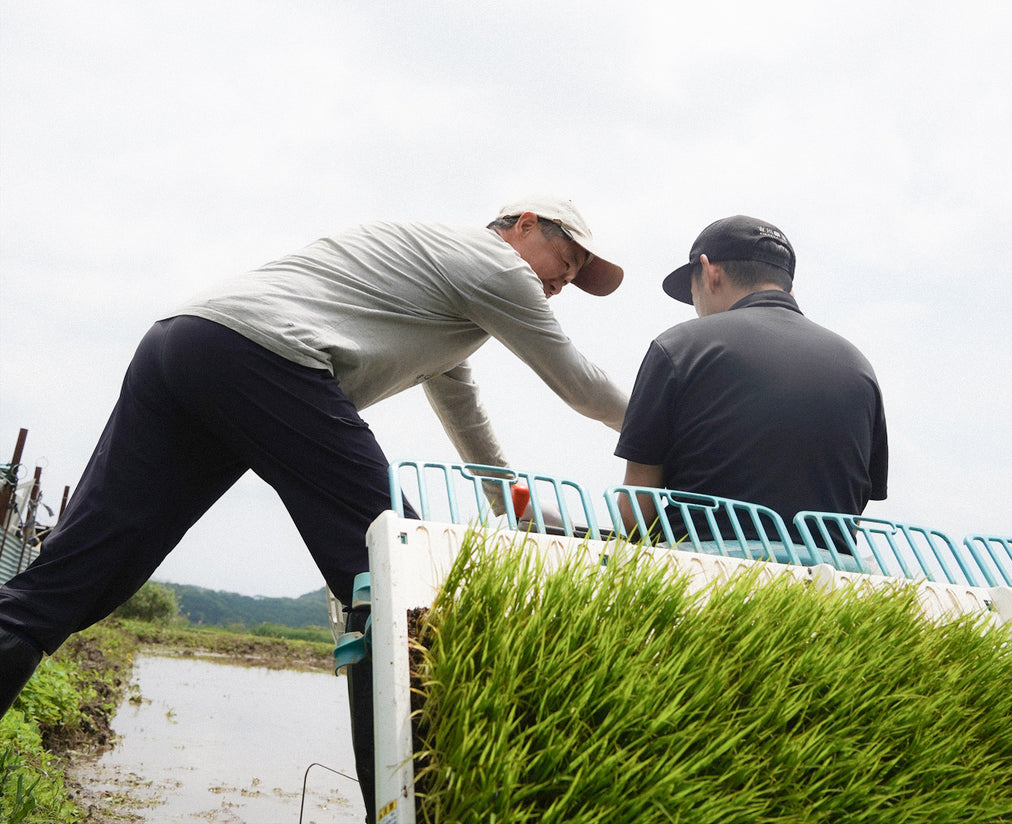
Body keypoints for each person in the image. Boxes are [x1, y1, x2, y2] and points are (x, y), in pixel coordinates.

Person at [0, 195, 629, 822]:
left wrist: (510, 503)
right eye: (565, 260)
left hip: (183, 343)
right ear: (522, 227)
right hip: (265, 356)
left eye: (574, 278)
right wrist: (657, 433)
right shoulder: (496, 267)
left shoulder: (447, 288)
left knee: (70, 581)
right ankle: (403, 812)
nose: (561, 283)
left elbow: (462, 406)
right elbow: (580, 384)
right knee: (394, 579)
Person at [615, 214, 887, 558]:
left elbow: (638, 505)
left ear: (710, 272)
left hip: (704, 573)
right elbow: (854, 510)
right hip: (829, 582)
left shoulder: (679, 347)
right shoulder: (858, 367)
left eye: (692, 291)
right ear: (788, 287)